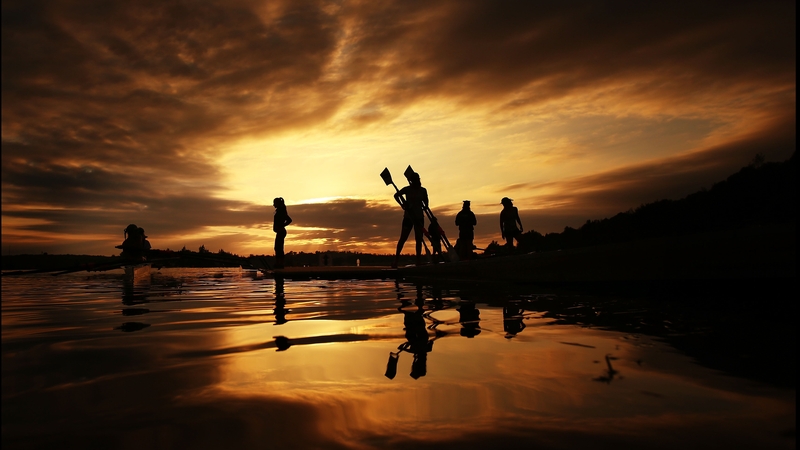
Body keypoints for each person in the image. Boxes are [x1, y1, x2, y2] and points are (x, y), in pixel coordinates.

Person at [393, 171, 428, 267]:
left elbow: (426, 201)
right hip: (408, 218)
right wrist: (402, 204)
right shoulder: (407, 189)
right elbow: (396, 195)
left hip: (419, 218)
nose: (418, 181)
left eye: (418, 179)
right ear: (412, 181)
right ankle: (396, 261)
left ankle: (418, 261)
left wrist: (425, 206)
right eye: (416, 180)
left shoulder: (423, 190)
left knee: (419, 239)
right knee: (403, 239)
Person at [273, 197, 292, 269]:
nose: (273, 204)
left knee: (279, 248)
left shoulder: (281, 211)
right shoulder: (279, 211)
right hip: (279, 232)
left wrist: (281, 226)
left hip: (281, 232)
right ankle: (278, 263)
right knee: (277, 248)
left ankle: (280, 264)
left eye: (274, 203)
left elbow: (289, 220)